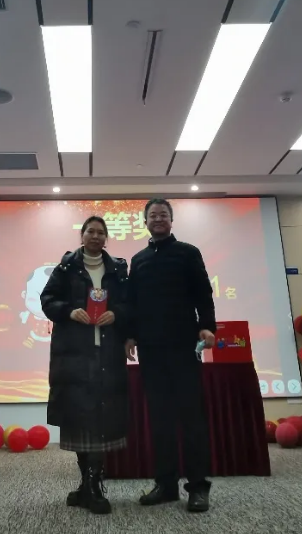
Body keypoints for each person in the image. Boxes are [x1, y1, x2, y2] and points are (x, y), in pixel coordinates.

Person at [125, 198, 216, 513]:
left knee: (191, 418)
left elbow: (203, 293)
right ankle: (165, 485)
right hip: (151, 349)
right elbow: (133, 302)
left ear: (171, 220)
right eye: (153, 215)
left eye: (163, 214)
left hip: (183, 346)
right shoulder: (138, 260)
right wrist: (130, 335)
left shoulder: (188, 253)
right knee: (160, 420)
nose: (158, 219)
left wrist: (207, 326)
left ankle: (198, 487)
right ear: (145, 222)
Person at [41, 215, 131, 515]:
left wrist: (117, 314)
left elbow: (130, 303)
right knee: (80, 420)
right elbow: (47, 299)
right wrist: (69, 311)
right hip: (74, 355)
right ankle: (87, 486)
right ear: (82, 235)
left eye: (100, 232)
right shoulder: (66, 267)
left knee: (102, 420)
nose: (95, 236)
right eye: (90, 231)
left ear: (106, 238)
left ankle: (91, 487)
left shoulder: (118, 269)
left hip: (108, 354)